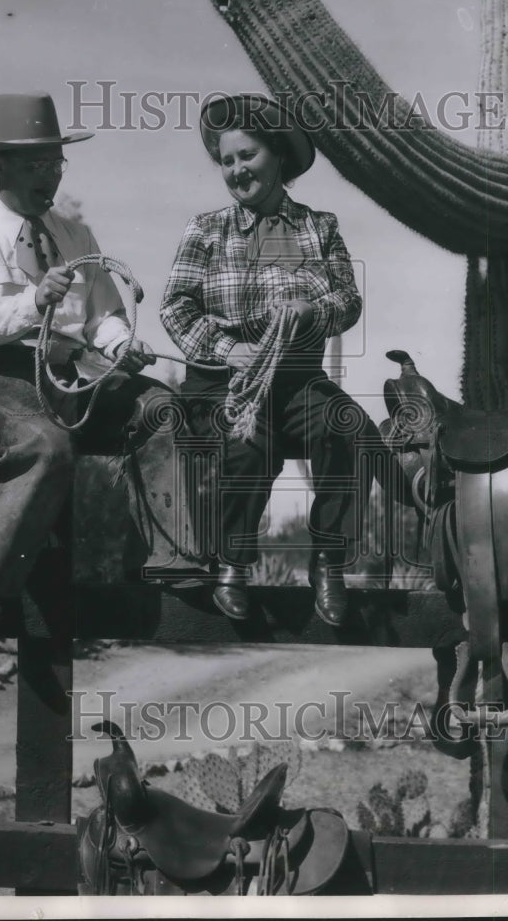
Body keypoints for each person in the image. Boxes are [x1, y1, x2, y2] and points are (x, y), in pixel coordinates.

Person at [0, 91, 163, 622]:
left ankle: (157, 563)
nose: (50, 176)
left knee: (161, 409)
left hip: (66, 375)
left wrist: (117, 344)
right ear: (0, 165)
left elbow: (103, 312)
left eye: (55, 162)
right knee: (45, 444)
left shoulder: (75, 235)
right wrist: (32, 301)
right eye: (36, 164)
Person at [160, 94, 368, 626]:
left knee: (347, 428)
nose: (236, 170)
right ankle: (232, 561)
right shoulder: (205, 229)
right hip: (221, 379)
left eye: (247, 156)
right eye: (227, 161)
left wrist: (312, 311)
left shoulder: (319, 228)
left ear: (277, 157)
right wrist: (231, 350)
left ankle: (328, 563)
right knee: (247, 442)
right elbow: (175, 306)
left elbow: (348, 300)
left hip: (297, 376)